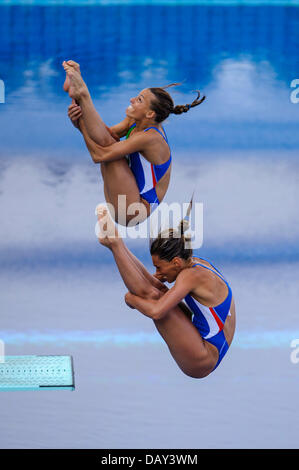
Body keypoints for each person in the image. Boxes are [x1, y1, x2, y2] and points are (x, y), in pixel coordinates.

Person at [95, 202, 236, 379]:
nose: (157, 273)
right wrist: (126, 253)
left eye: (159, 267)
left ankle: (115, 244)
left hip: (202, 359)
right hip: (209, 348)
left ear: (176, 262)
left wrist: (131, 299)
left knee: (154, 296)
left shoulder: (190, 276)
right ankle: (116, 244)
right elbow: (156, 284)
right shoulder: (198, 263)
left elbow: (156, 312)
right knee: (157, 291)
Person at [63, 60, 205, 225]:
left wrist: (81, 125)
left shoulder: (151, 138)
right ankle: (79, 93)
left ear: (150, 114)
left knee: (111, 151)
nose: (131, 100)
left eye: (139, 100)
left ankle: (82, 93)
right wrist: (80, 119)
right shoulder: (135, 121)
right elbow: (105, 135)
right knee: (110, 140)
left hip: (133, 210)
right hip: (124, 195)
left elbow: (99, 155)